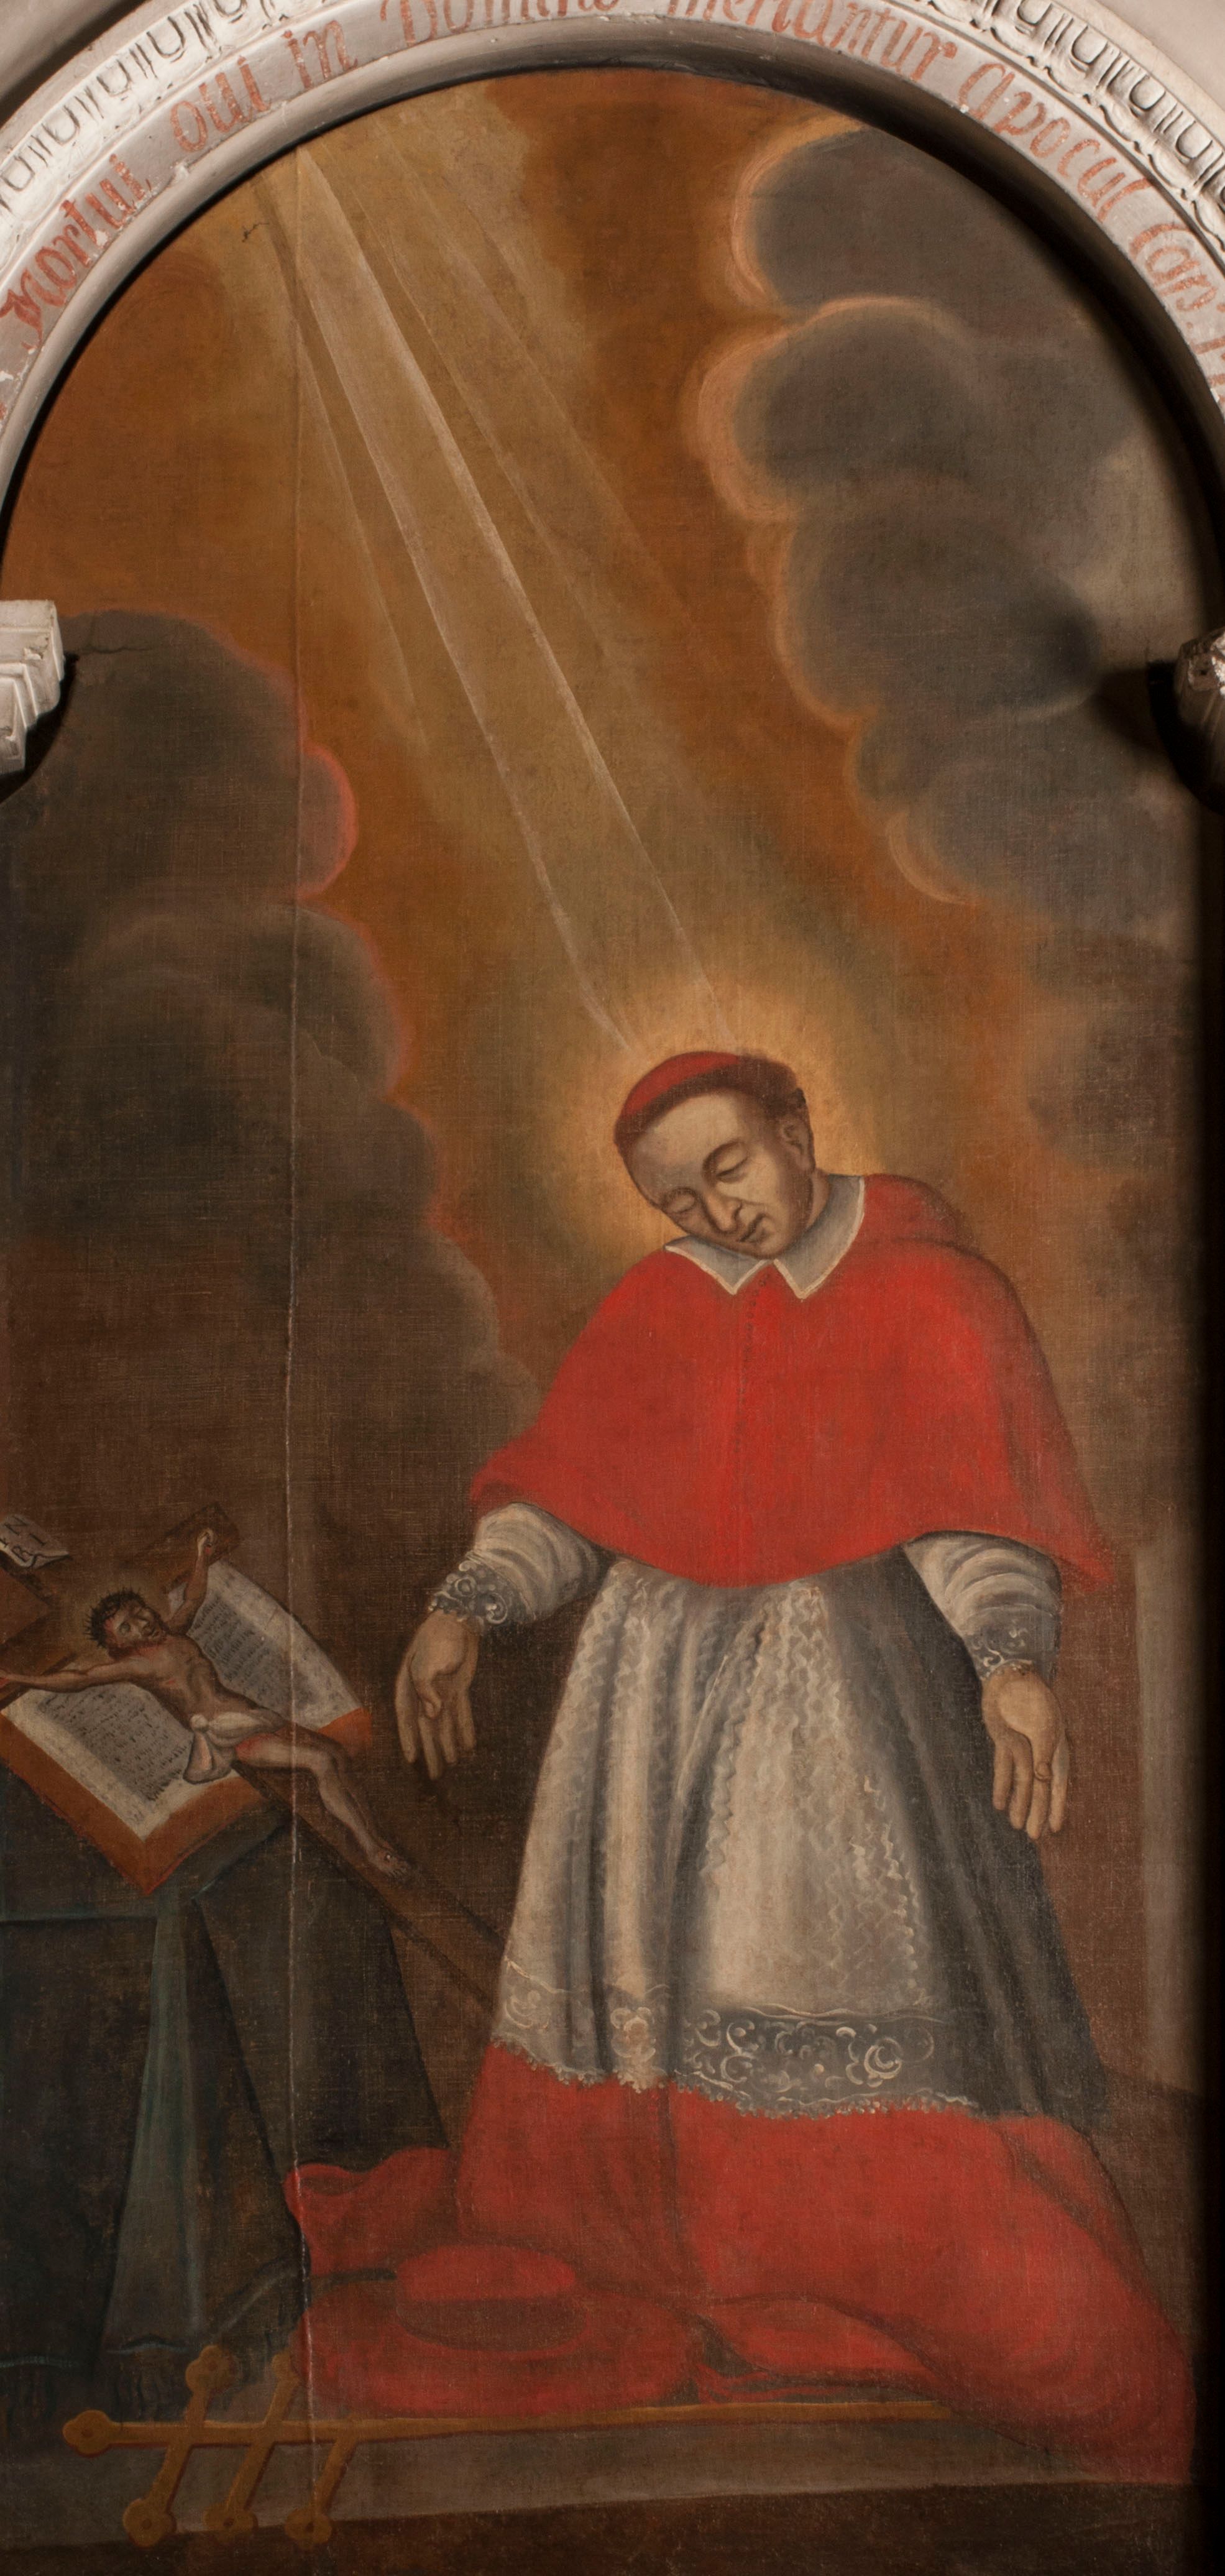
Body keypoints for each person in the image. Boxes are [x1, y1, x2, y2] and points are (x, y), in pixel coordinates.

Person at [293, 1050, 1188, 2471]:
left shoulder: (933, 1290)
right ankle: (677, 2260)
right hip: (642, 1714)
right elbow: (572, 1494)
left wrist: (1010, 1662)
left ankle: (857, 2278)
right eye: (677, 1199)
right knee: (646, 1989)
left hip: (833, 1716)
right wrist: (466, 1607)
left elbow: (970, 1509)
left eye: (728, 1168)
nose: (715, 1213)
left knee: (807, 1971)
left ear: (794, 1129)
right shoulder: (661, 1300)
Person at [1, 1527, 411, 1882]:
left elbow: (193, 1598)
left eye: (139, 1612)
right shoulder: (140, 1666)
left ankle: (376, 1838)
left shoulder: (174, 1635)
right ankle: (372, 1849)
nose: (142, 1622)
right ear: (119, 1645)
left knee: (335, 1754)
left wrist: (201, 1555)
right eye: (127, 1627)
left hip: (255, 1716)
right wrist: (20, 1678)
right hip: (233, 1737)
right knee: (320, 1763)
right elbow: (80, 1679)